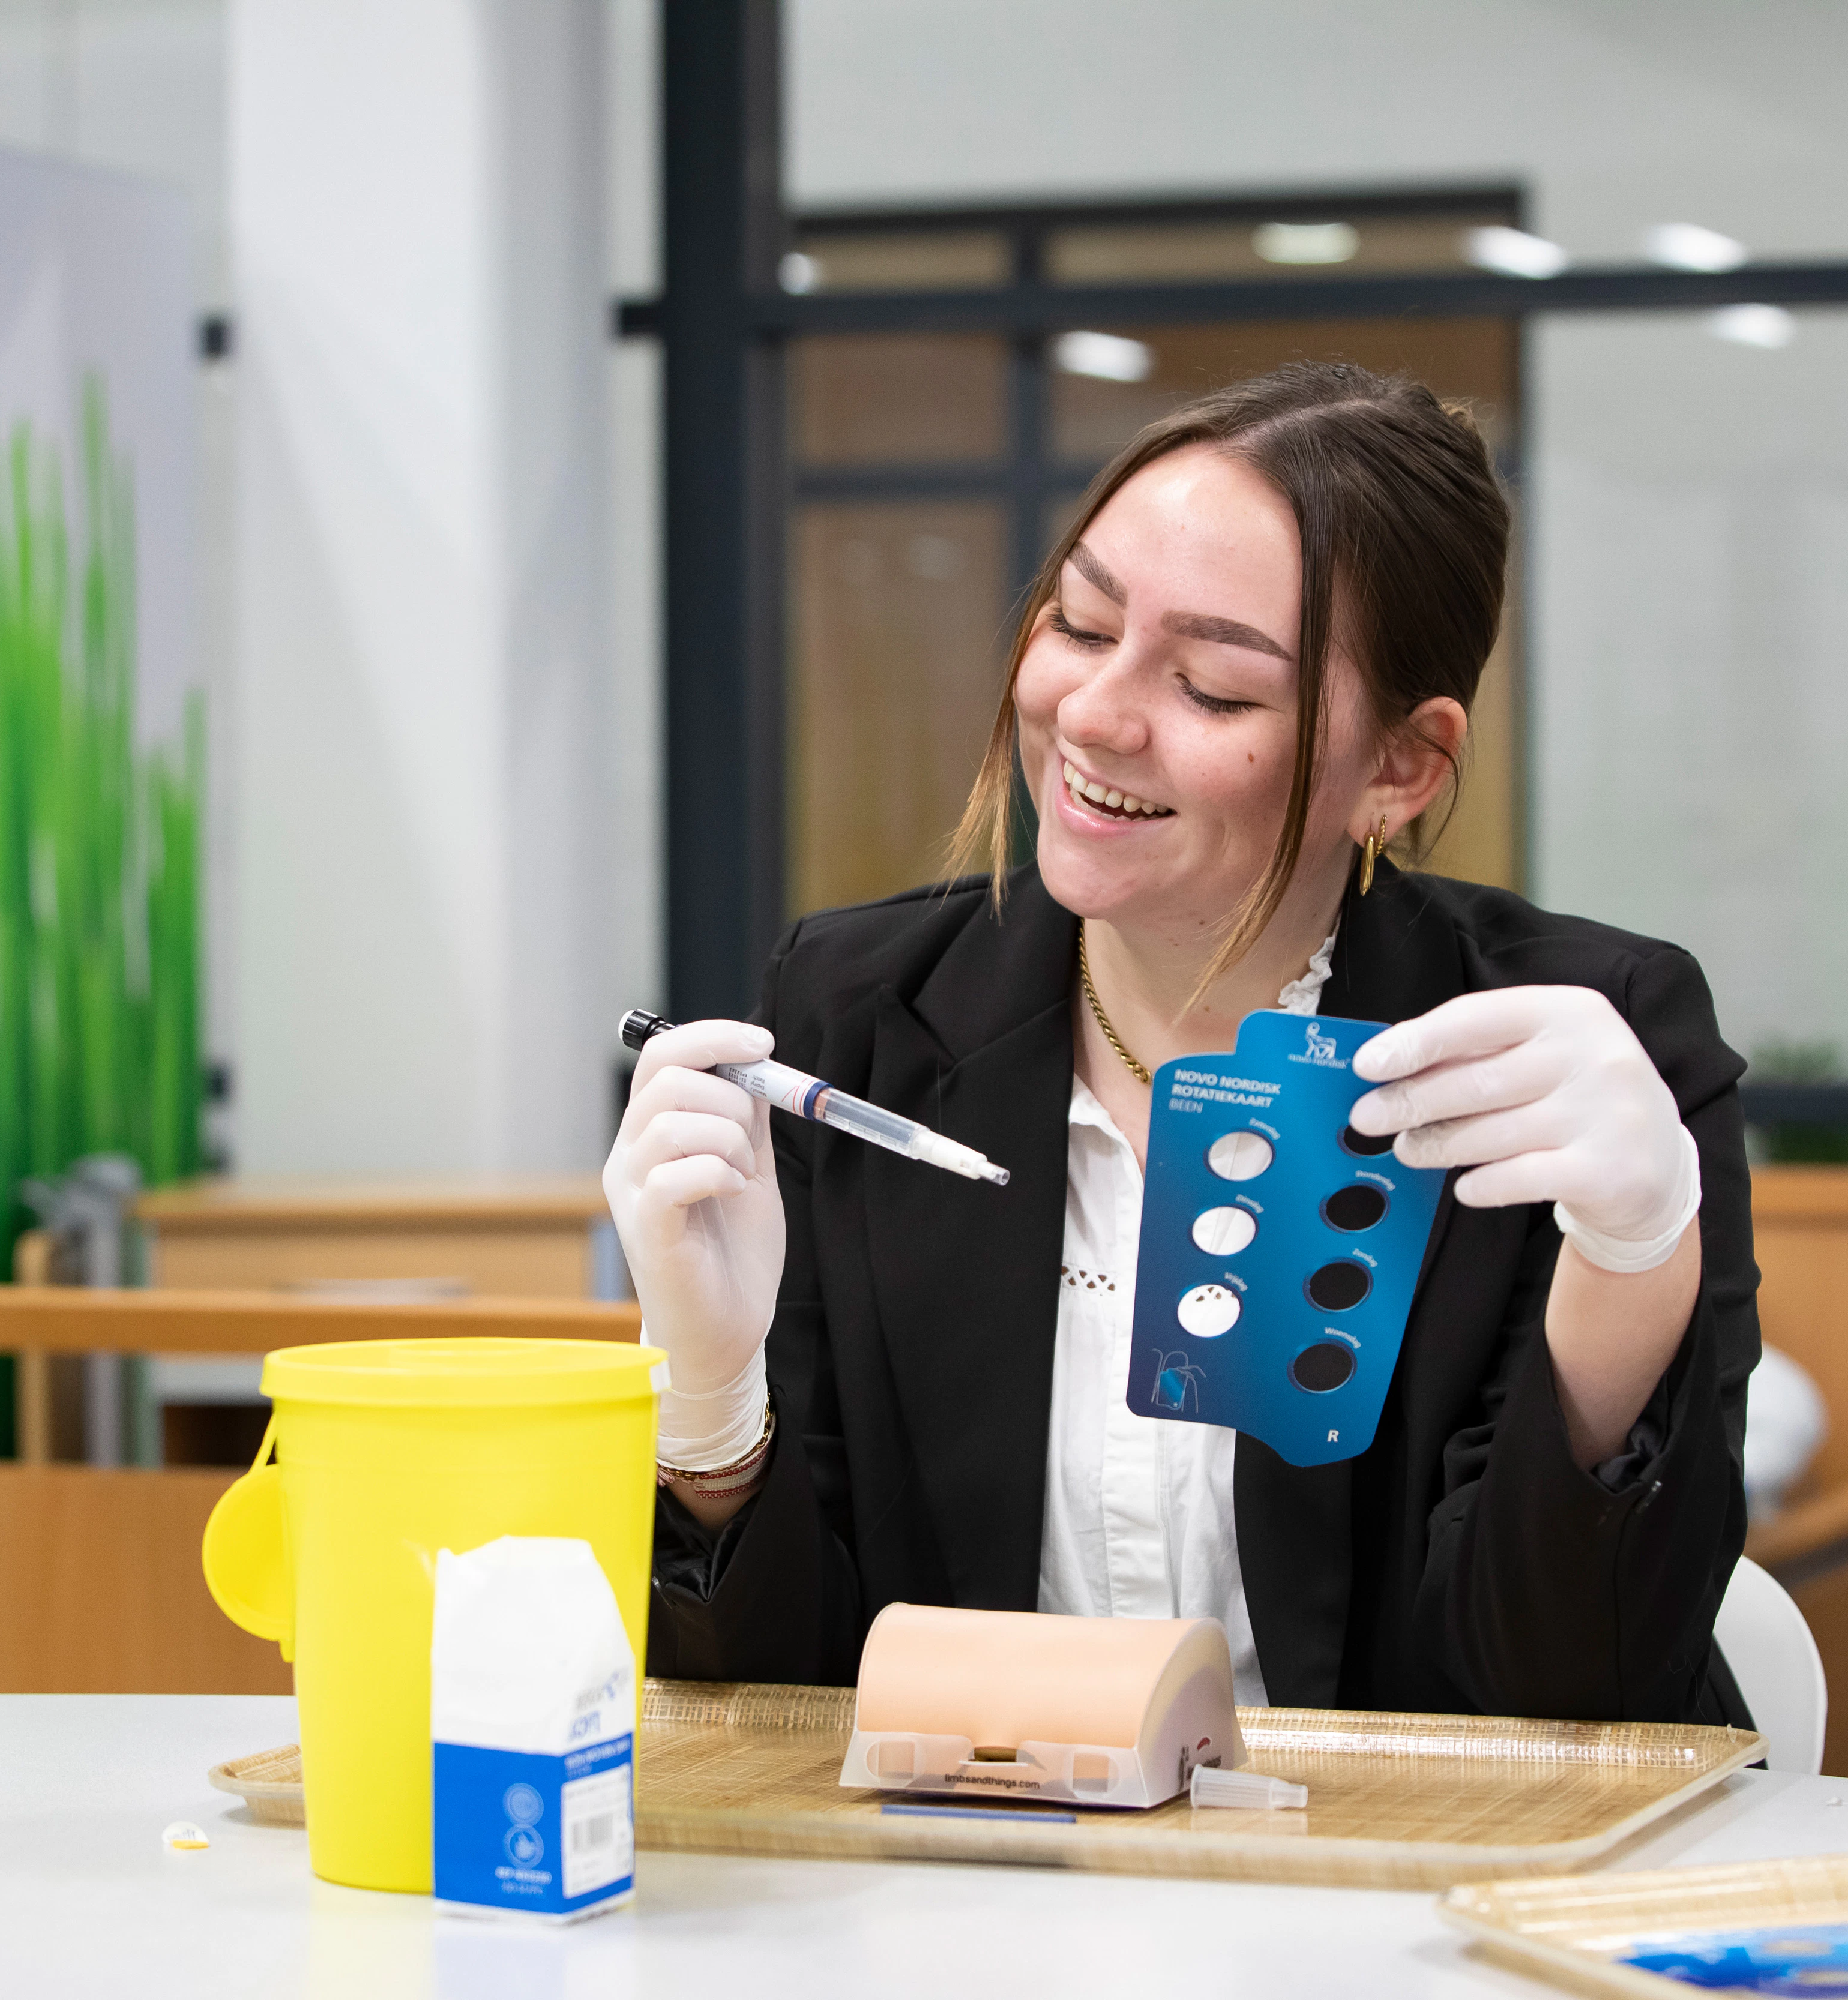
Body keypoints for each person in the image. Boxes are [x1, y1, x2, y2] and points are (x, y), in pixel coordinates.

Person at [608, 362, 1760, 1723]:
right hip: (984, 1896)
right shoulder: (857, 1018)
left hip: (1407, 1905)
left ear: (1397, 766)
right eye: (1080, 623)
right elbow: (773, 1705)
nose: (1093, 714)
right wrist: (708, 1407)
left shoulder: (1563, 1068)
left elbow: (1577, 1692)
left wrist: (1630, 1264)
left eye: (1212, 687)